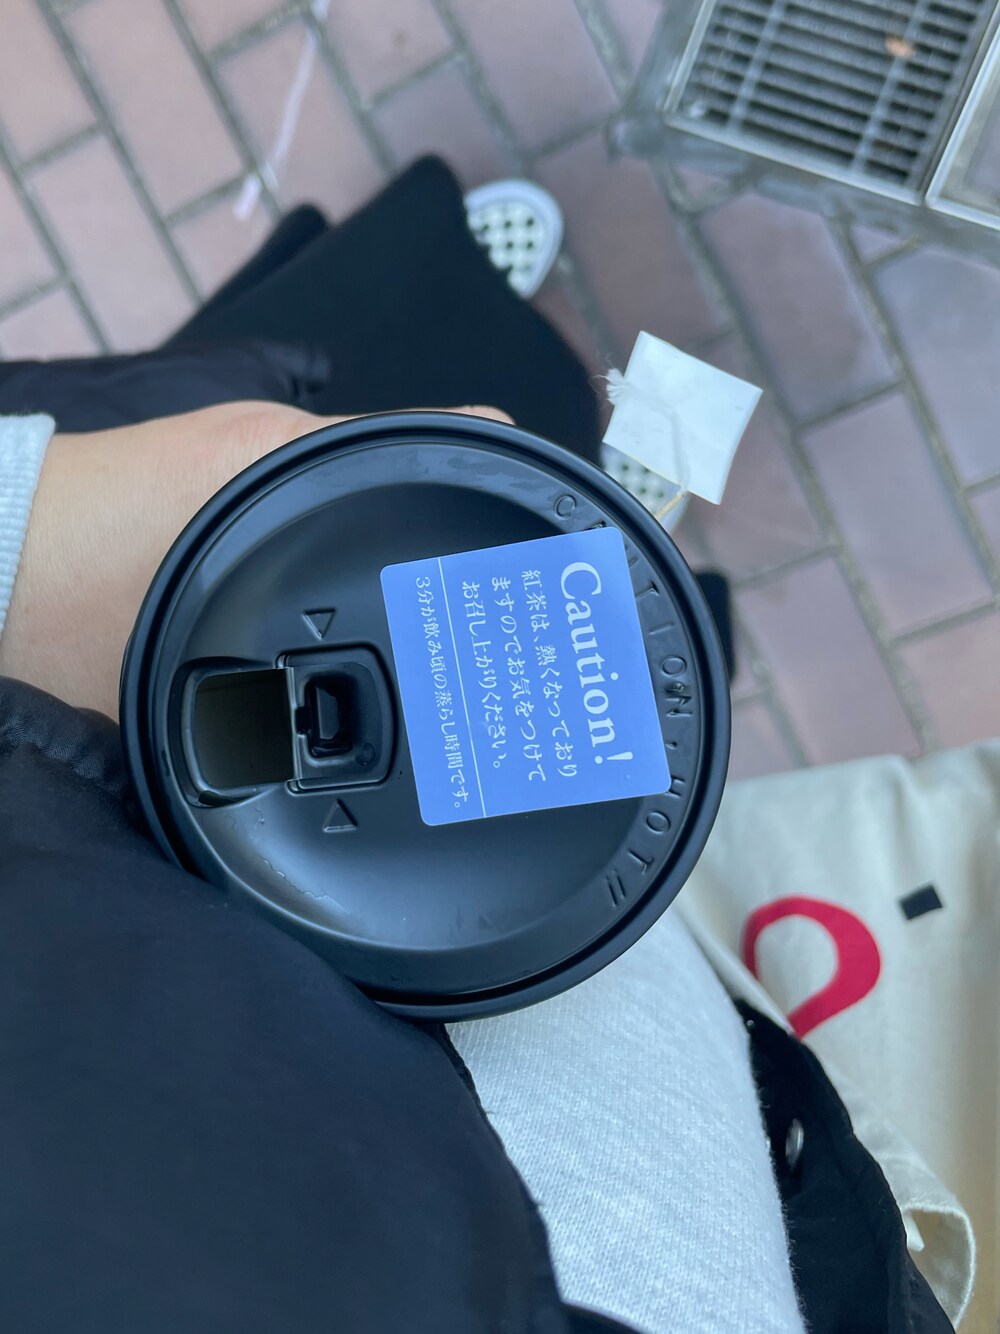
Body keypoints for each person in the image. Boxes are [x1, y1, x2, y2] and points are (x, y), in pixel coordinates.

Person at [0, 158, 951, 1332]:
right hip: (560, 1036)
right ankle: (602, 537)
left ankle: (589, 520)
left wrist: (21, 534)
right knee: (591, 634)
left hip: (123, 765)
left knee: (419, 458)